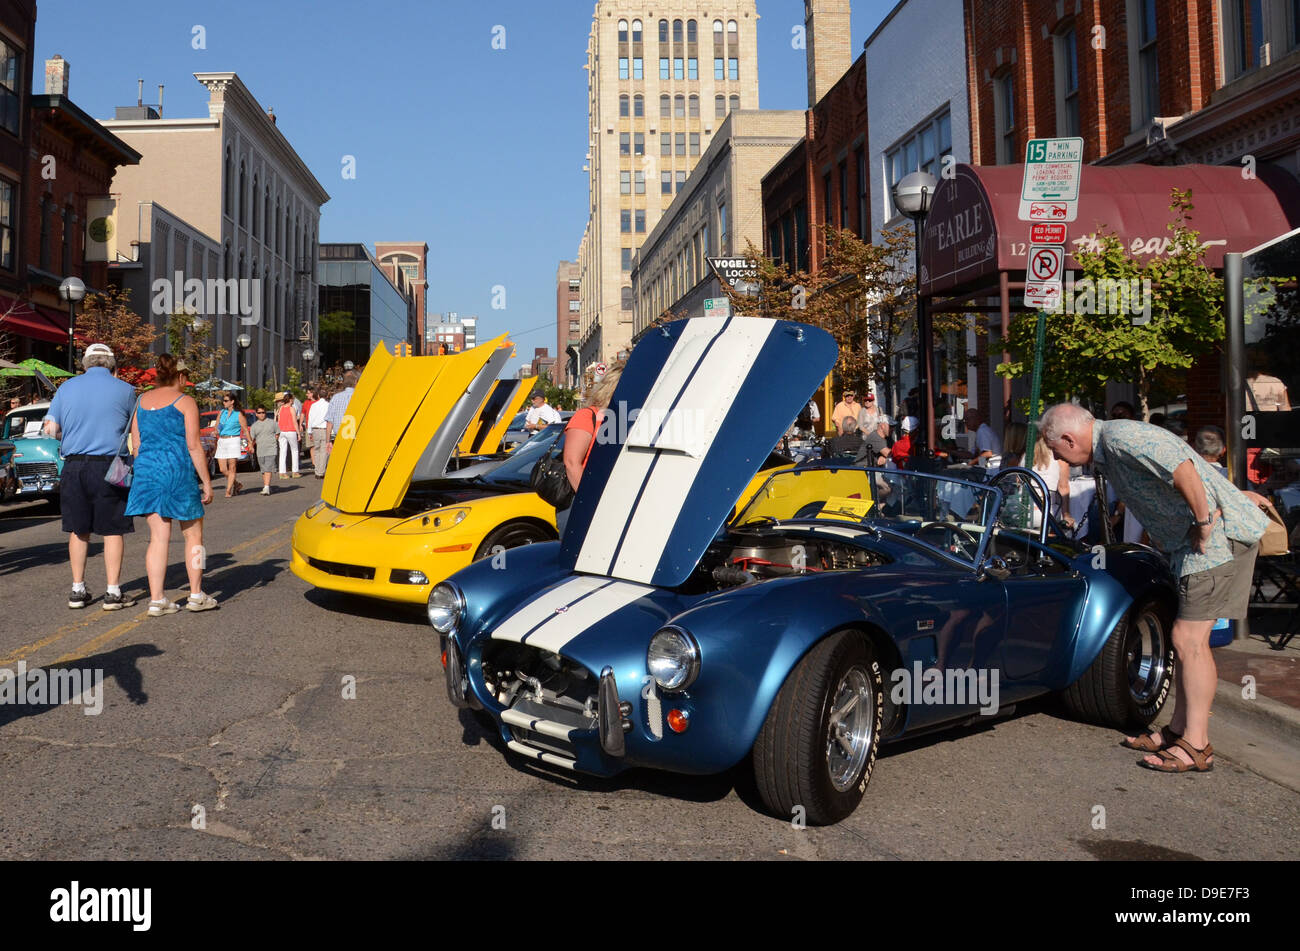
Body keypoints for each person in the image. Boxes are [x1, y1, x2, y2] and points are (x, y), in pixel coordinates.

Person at [1041, 402, 1269, 773]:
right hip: (1196, 545)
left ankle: (1196, 745)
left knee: (1188, 640)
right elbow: (1184, 461)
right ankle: (1179, 731)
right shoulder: (1112, 445)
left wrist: (1204, 520)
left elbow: (1184, 468)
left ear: (1068, 438)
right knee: (1187, 640)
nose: (1056, 457)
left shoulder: (1120, 438)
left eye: (1055, 450)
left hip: (1213, 544)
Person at [41, 343, 138, 610]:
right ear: (111, 364)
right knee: (113, 529)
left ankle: (77, 589)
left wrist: (68, 435)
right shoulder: (127, 390)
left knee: (78, 528)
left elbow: (51, 429)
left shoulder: (66, 388)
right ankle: (113, 591)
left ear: (85, 363)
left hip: (74, 465)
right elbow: (135, 428)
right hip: (112, 464)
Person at [124, 354, 216, 615]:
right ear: (180, 376)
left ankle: (157, 599)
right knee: (194, 536)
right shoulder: (185, 402)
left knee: (158, 537)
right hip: (177, 471)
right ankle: (196, 594)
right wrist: (206, 482)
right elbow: (194, 445)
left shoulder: (141, 401)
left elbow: (137, 444)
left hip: (148, 473)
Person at [1031, 430, 1073, 528]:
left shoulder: (1026, 457)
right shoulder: (1060, 459)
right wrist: (1066, 515)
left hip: (1020, 512)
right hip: (1045, 513)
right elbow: (1063, 488)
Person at [215, 391, 250, 498]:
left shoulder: (238, 414)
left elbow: (245, 430)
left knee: (232, 467)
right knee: (222, 469)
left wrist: (250, 443)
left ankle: (228, 490)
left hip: (233, 440)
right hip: (222, 440)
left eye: (226, 401)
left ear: (232, 402)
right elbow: (217, 426)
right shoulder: (221, 412)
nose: (223, 403)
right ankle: (237, 484)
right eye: (223, 401)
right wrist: (215, 431)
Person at [323, 369, 359, 452]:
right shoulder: (360, 398)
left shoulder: (336, 398)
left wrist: (328, 441)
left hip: (339, 438)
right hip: (356, 438)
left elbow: (329, 422)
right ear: (356, 382)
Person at [249, 406, 279, 495]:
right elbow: (251, 439)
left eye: (263, 412)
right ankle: (267, 486)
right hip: (260, 450)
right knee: (263, 469)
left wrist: (273, 442)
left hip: (271, 449)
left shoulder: (272, 423)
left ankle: (266, 488)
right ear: (256, 414)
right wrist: (251, 446)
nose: (262, 414)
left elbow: (277, 434)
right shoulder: (254, 426)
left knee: (268, 468)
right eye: (259, 413)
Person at [305, 385, 331, 477]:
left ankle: (317, 470)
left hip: (315, 429)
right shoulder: (328, 405)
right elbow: (330, 419)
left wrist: (309, 432)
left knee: (316, 450)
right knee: (324, 451)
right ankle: (321, 471)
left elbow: (310, 418)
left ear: (318, 396)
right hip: (324, 429)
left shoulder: (314, 405)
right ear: (327, 396)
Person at [275, 391, 301, 478]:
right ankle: (295, 471)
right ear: (290, 400)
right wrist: (298, 433)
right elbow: (294, 421)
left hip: (282, 431)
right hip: (291, 431)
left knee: (282, 452)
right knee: (295, 451)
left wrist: (277, 432)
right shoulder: (291, 408)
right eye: (292, 399)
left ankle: (282, 472)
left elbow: (278, 421)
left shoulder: (281, 408)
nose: (293, 400)